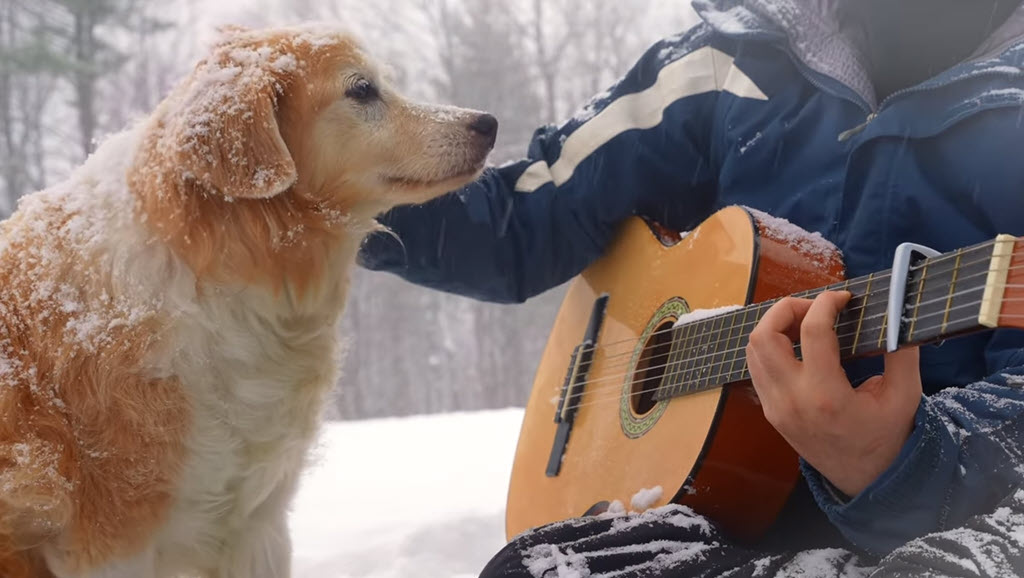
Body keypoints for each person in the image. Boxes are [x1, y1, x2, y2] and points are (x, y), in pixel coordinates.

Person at [358, 0, 1024, 574]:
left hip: (944, 533)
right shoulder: (733, 55)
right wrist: (326, 189)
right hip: (717, 510)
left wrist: (902, 466)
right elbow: (518, 222)